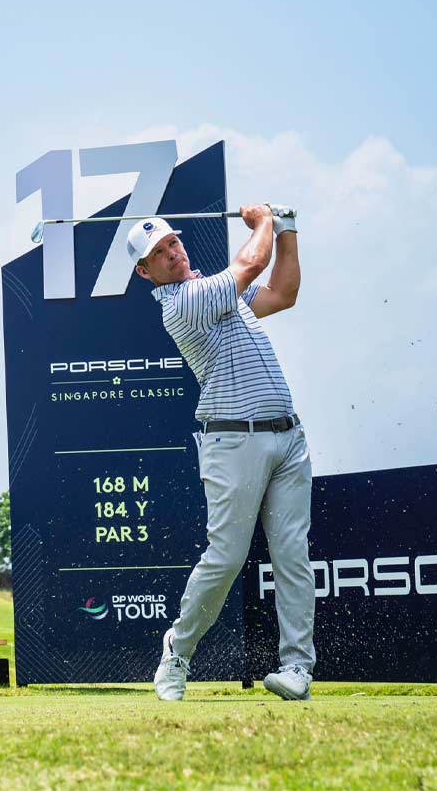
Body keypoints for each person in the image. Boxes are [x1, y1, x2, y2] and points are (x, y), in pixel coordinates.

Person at [135, 207, 311, 703]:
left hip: (288, 437)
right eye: (159, 255)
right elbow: (252, 266)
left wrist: (288, 231)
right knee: (226, 558)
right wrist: (263, 222)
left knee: (293, 555)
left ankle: (297, 667)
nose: (173, 254)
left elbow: (282, 293)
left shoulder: (223, 294)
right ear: (145, 272)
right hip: (233, 442)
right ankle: (178, 653)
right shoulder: (184, 301)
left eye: (173, 244)